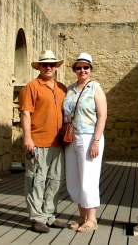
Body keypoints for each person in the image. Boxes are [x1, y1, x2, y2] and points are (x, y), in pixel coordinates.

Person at [18, 50, 68, 233]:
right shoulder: (31, 87)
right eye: (45, 64)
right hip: (38, 140)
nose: (49, 67)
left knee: (54, 180)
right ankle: (37, 217)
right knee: (36, 180)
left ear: (56, 67)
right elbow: (25, 113)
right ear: (39, 66)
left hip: (58, 142)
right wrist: (27, 138)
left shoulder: (61, 88)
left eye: (52, 64)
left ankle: (49, 215)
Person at [63, 52, 107, 233]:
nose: (82, 70)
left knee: (88, 177)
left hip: (89, 136)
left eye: (86, 67)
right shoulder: (70, 89)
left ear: (90, 69)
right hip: (71, 138)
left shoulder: (96, 88)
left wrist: (96, 141)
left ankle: (91, 218)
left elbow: (102, 116)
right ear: (74, 69)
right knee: (74, 178)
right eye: (79, 67)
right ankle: (81, 215)